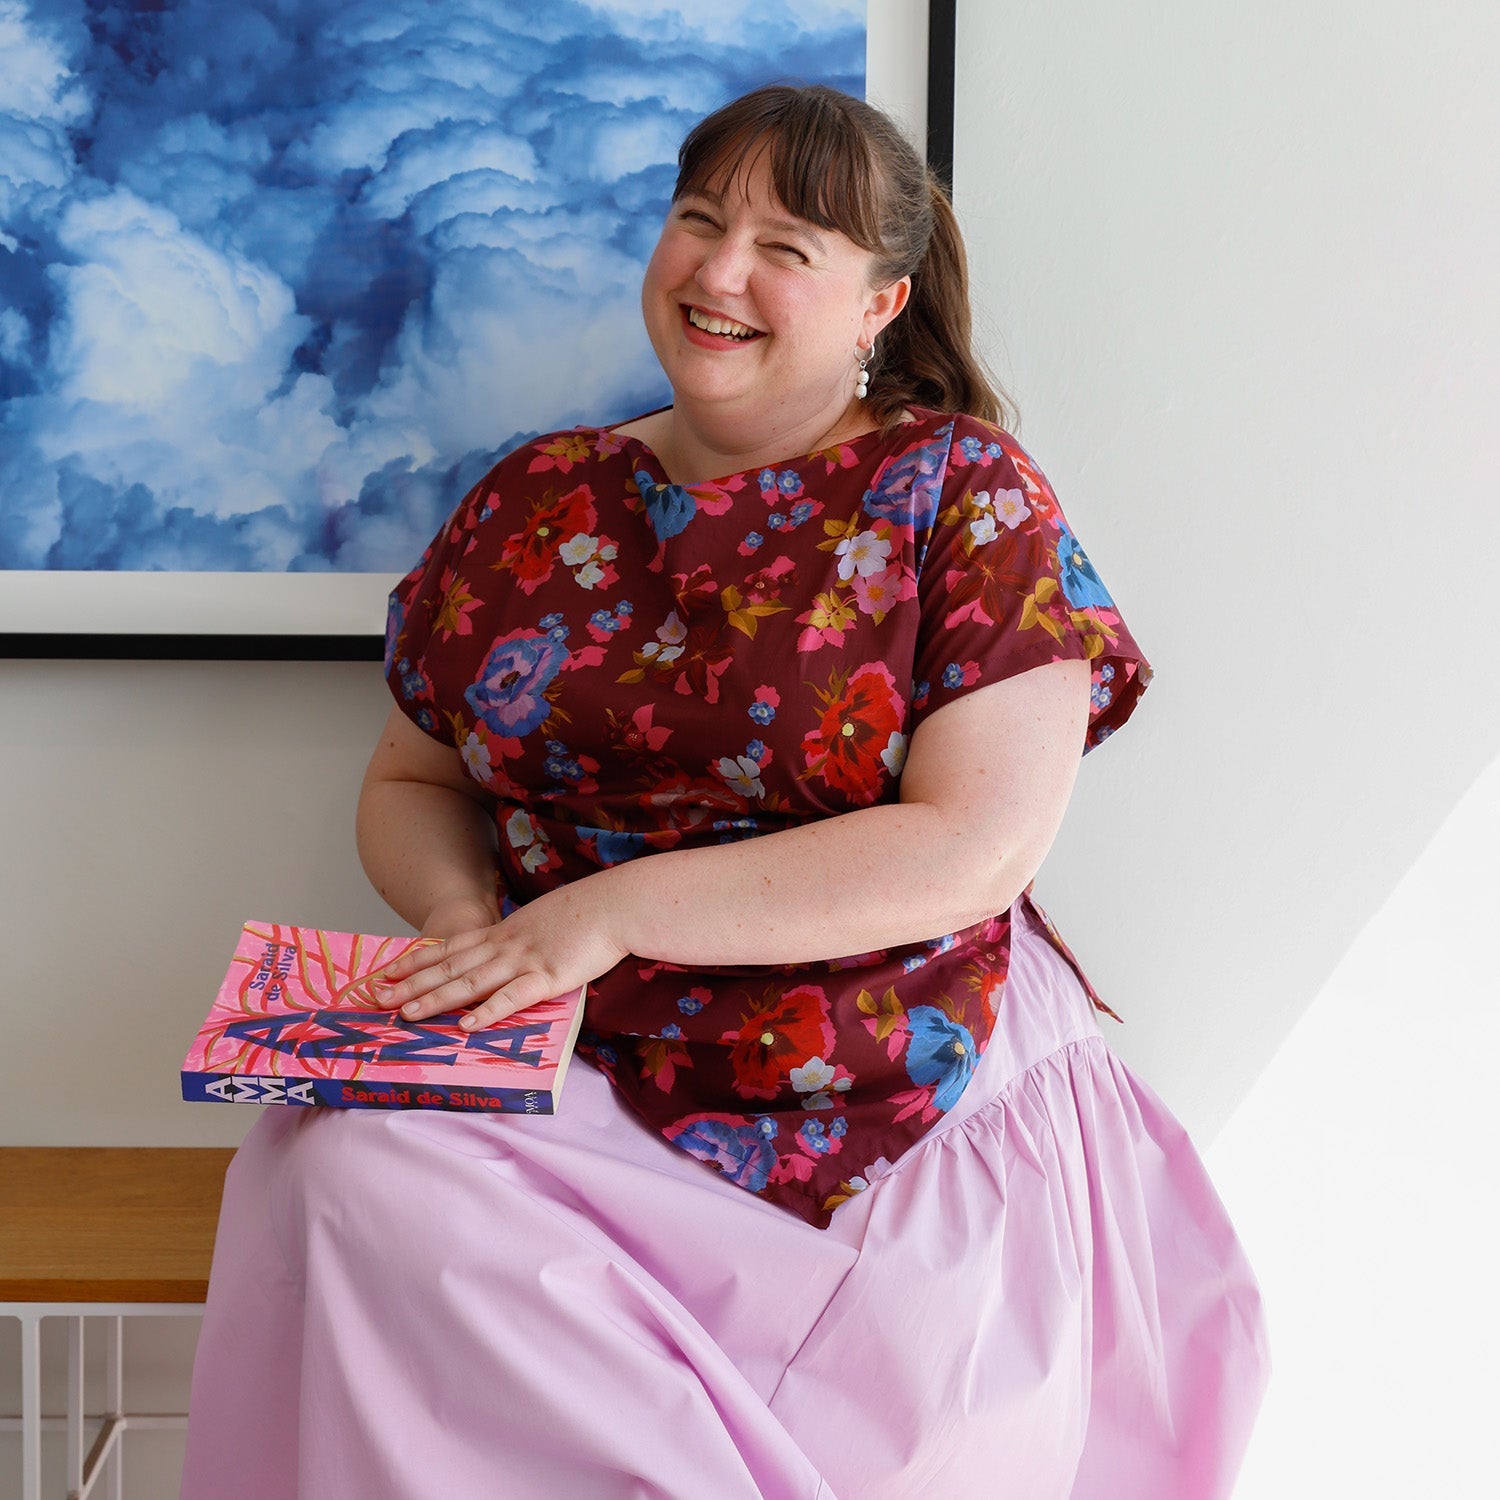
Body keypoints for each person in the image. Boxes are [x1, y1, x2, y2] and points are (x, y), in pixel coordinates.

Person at [182, 84, 1267, 1498]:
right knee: (330, 1171)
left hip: (888, 1072)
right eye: (701, 220)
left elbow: (975, 847)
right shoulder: (532, 497)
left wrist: (604, 915)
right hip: (579, 1047)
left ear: (881, 304)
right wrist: (468, 931)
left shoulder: (966, 491)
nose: (720, 271)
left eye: (786, 248)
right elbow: (409, 777)